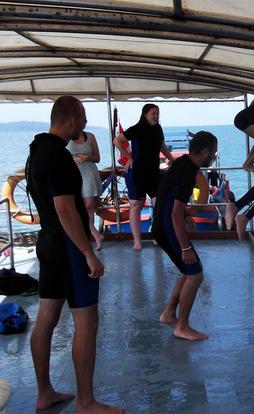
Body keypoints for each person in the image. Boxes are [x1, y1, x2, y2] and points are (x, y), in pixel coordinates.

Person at [26, 96, 123, 413]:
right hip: (69, 248)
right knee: (87, 321)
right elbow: (66, 209)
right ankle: (86, 402)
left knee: (46, 318)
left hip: (48, 244)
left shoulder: (36, 152)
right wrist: (88, 252)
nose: (84, 122)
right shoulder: (59, 156)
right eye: (82, 117)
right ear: (71, 119)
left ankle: (45, 393)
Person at [153, 131, 218, 341]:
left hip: (163, 226)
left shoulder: (182, 165)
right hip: (167, 227)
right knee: (195, 274)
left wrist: (186, 214)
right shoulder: (187, 172)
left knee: (186, 271)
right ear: (205, 151)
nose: (214, 156)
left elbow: (175, 206)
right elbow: (174, 213)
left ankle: (169, 313)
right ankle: (181, 326)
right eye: (214, 152)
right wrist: (185, 247)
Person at [113, 104, 174, 251]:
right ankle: (137, 241)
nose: (156, 116)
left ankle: (157, 236)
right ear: (145, 114)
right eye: (153, 113)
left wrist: (172, 159)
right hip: (136, 172)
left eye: (158, 114)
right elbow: (117, 141)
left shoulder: (158, 129)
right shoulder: (137, 128)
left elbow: (162, 146)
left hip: (153, 172)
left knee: (159, 203)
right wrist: (129, 157)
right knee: (136, 205)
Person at [66, 130, 104, 250]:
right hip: (72, 174)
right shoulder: (66, 136)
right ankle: (94, 235)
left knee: (89, 207)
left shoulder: (90, 136)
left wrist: (87, 157)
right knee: (80, 208)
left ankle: (93, 236)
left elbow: (97, 158)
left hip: (89, 174)